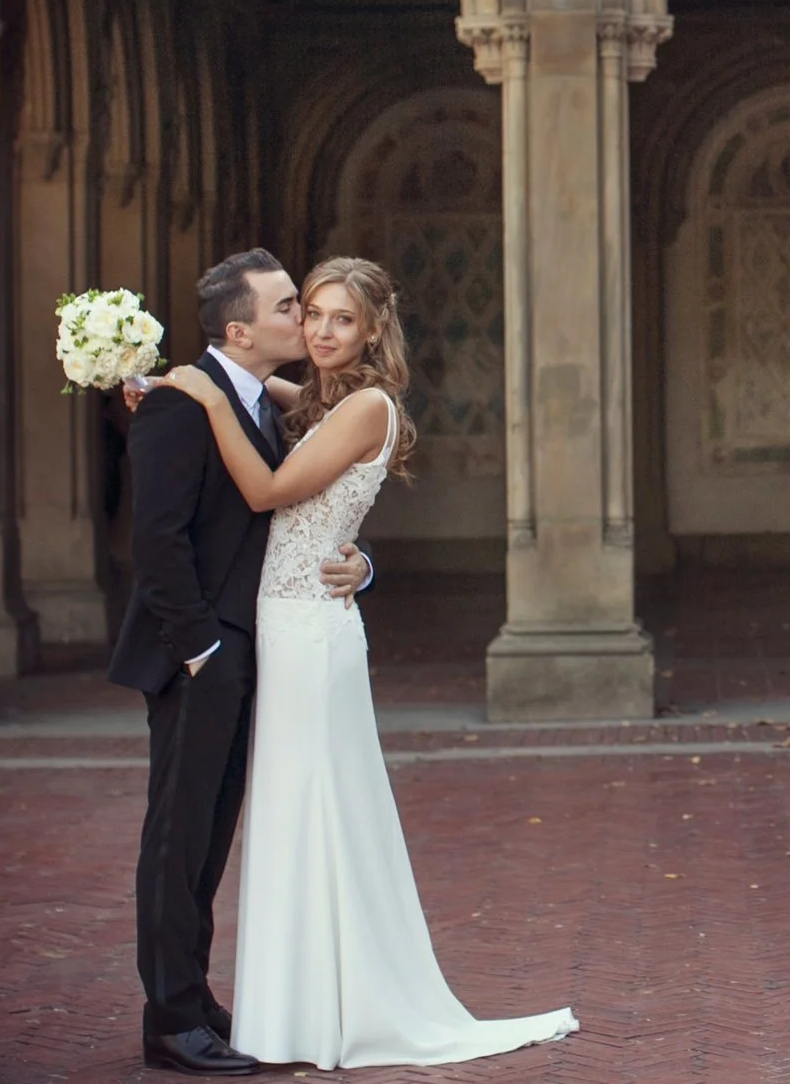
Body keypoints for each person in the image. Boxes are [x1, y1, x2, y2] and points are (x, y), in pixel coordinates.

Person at [162, 255, 577, 1071]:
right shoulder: (328, 399)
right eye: (310, 312)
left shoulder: (367, 405)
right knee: (295, 813)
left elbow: (267, 490)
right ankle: (298, 1009)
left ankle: (334, 1011)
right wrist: (199, 381)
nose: (320, 329)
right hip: (286, 626)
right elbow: (273, 398)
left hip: (311, 637)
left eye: (341, 318)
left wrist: (207, 394)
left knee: (319, 811)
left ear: (373, 329)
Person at [109, 249, 373, 1076]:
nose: (304, 319)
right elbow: (154, 540)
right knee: (177, 838)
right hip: (200, 656)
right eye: (290, 305)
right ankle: (171, 1020)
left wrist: (363, 565)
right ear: (240, 327)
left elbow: (314, 506)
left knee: (211, 836)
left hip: (251, 650)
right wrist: (201, 650)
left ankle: (193, 997)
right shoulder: (178, 406)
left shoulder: (261, 402)